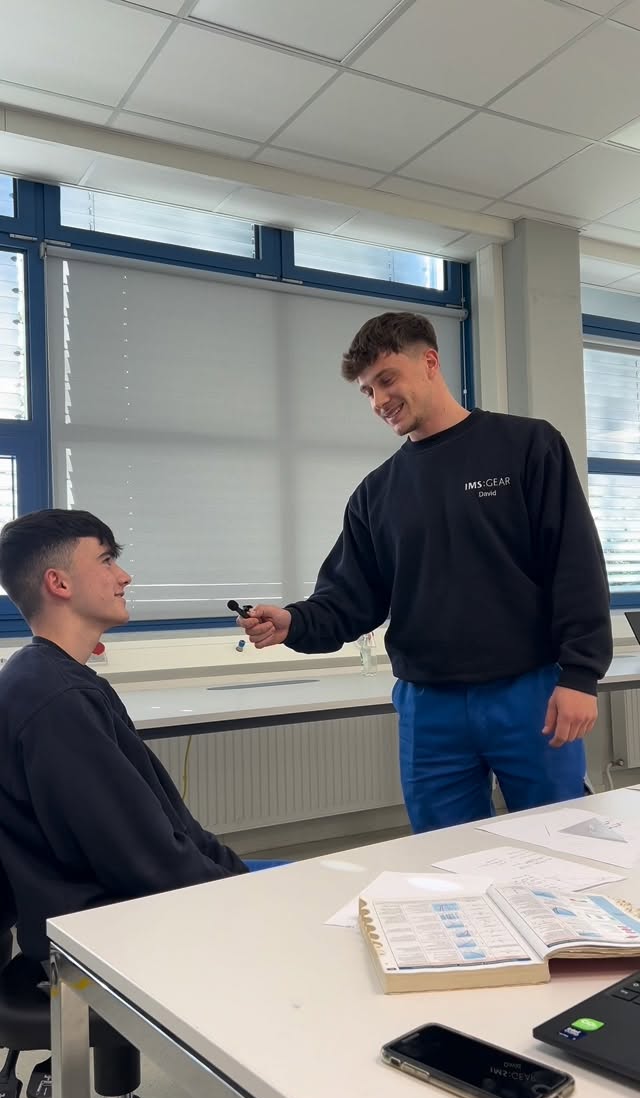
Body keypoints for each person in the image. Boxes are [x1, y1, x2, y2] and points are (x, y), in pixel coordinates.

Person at [240, 311, 613, 833]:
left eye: (386, 379)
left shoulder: (527, 446)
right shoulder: (377, 493)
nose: (378, 401)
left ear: (430, 362)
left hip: (529, 691)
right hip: (429, 706)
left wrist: (580, 674)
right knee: (444, 858)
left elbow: (574, 564)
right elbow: (350, 597)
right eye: (367, 391)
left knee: (561, 844)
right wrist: (295, 622)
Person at [0, 509, 283, 962]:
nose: (124, 576)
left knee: (313, 880)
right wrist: (244, 896)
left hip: (140, 903)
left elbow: (172, 831)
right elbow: (145, 863)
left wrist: (236, 873)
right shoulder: (58, 700)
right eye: (107, 560)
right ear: (59, 583)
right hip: (118, 932)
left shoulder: (53, 679)